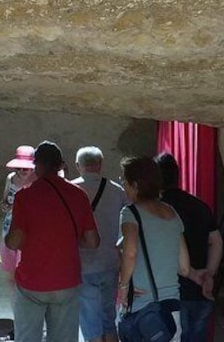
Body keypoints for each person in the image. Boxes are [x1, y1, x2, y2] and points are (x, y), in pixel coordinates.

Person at [5, 141, 100, 342]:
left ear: (36, 165)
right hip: (67, 279)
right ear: (61, 165)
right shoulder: (78, 195)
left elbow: (13, 242)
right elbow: (92, 241)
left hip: (32, 280)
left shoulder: (25, 196)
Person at [117, 157, 197, 342]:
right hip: (170, 309)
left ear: (135, 185)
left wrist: (123, 286)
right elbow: (184, 267)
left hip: (142, 306)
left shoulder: (130, 213)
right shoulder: (172, 212)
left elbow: (130, 252)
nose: (124, 186)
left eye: (125, 182)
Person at [155, 153, 223, 342]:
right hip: (200, 288)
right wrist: (208, 274)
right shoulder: (199, 205)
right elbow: (216, 241)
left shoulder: (157, 210)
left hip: (170, 291)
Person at [71, 146, 128, 342]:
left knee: (89, 321)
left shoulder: (70, 190)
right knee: (108, 317)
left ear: (78, 166)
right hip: (110, 262)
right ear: (101, 164)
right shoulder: (117, 190)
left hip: (82, 264)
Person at [0, 145, 37, 341]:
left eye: (26, 168)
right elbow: (4, 201)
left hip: (29, 234)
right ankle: (18, 323)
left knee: (28, 281)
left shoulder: (38, 181)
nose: (22, 172)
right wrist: (6, 205)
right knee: (11, 279)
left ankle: (32, 325)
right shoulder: (10, 179)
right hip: (10, 229)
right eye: (19, 168)